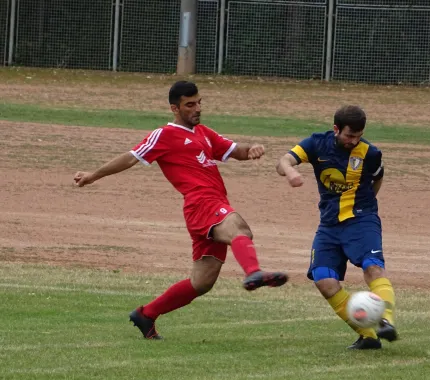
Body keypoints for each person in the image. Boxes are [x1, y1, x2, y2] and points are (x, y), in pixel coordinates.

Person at [74, 81, 288, 340]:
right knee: (240, 229)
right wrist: (93, 175)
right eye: (190, 105)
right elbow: (130, 157)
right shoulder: (164, 135)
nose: (197, 108)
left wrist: (252, 149)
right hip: (201, 203)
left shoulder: (204, 133)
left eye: (199, 102)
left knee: (202, 283)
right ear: (174, 108)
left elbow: (235, 152)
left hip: (211, 204)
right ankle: (253, 272)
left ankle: (146, 314)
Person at [276, 105, 397, 350]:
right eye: (349, 135)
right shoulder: (316, 144)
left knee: (373, 267)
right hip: (329, 224)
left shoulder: (370, 153)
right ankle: (368, 336)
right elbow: (284, 161)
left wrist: (366, 204)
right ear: (336, 129)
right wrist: (290, 173)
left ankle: (386, 321)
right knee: (323, 279)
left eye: (358, 135)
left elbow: (378, 177)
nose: (353, 141)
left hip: (361, 219)